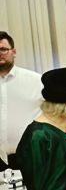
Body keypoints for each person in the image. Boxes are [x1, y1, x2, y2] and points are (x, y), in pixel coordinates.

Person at [0, 31, 45, 165]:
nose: (0, 53)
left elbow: (55, 113)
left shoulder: (35, 81)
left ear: (14, 52)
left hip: (30, 156)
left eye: (3, 49)